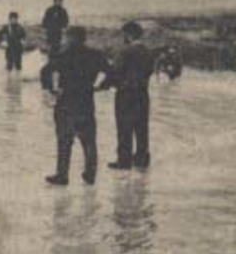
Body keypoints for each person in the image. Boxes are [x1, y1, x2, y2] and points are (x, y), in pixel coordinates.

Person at [41, 25, 111, 186]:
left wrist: (51, 90)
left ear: (71, 38)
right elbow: (111, 72)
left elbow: (45, 72)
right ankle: (90, 174)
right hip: (86, 101)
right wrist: (102, 86)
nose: (64, 39)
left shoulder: (63, 55)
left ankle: (62, 175)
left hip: (66, 101)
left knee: (64, 140)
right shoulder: (95, 55)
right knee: (89, 140)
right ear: (84, 38)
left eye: (66, 36)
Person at [107, 21, 157, 171]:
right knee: (141, 128)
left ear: (128, 35)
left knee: (124, 128)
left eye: (124, 35)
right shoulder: (148, 52)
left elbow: (115, 72)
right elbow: (149, 72)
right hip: (142, 94)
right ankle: (142, 159)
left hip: (125, 94)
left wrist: (105, 85)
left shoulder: (124, 52)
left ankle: (124, 160)